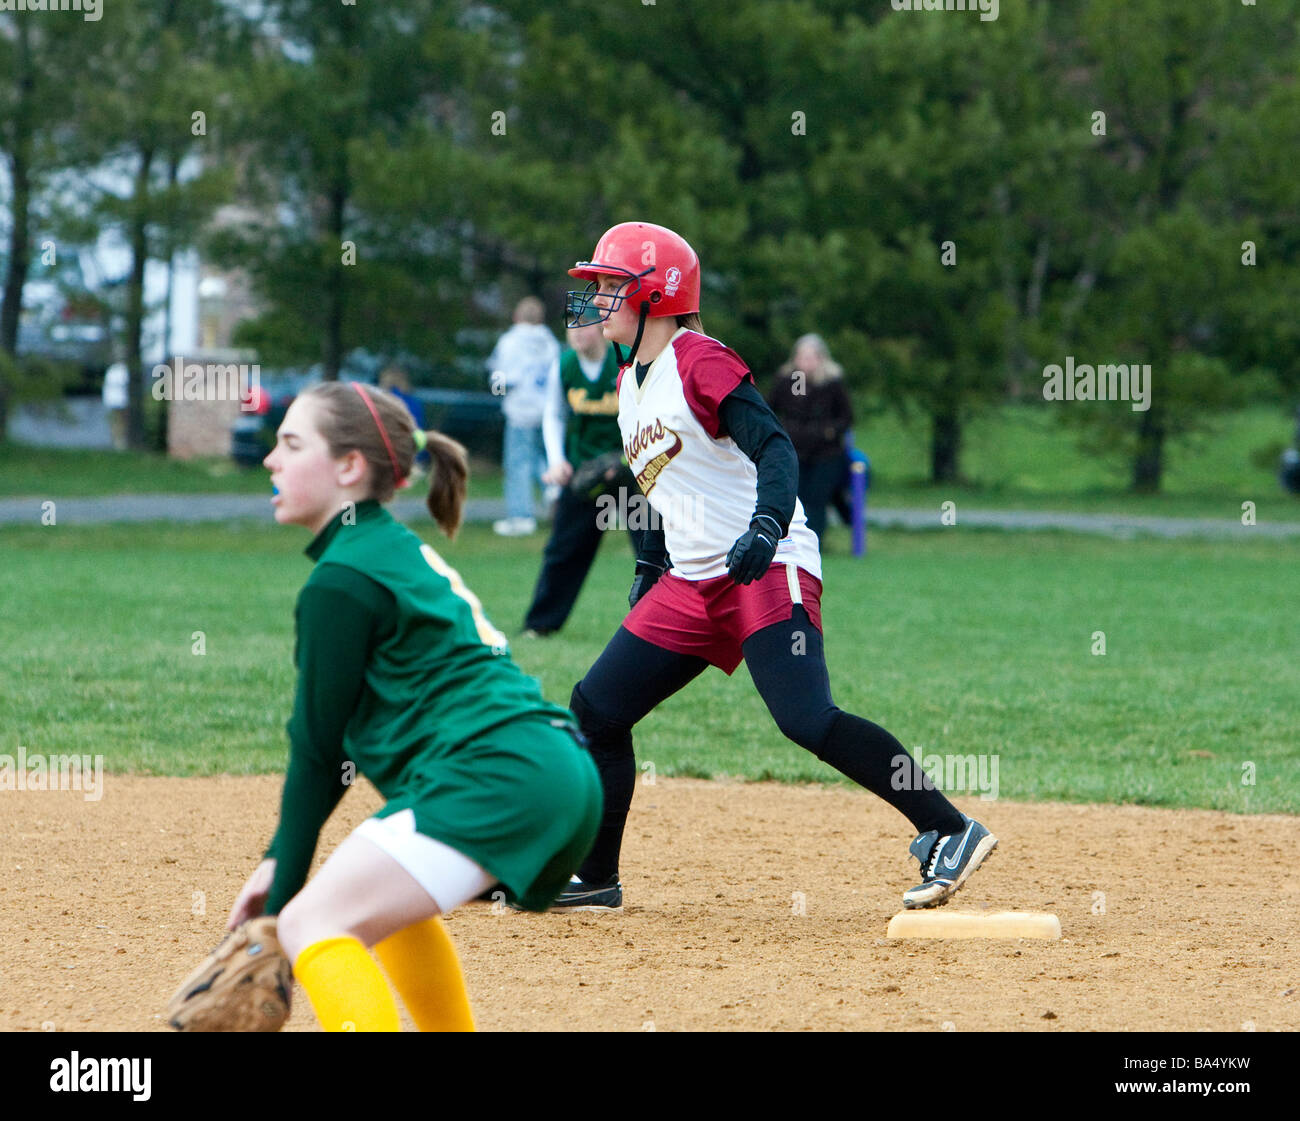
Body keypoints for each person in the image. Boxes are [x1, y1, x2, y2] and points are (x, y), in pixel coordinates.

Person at [551, 221, 996, 913]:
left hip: (767, 563)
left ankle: (948, 826)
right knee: (597, 709)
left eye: (612, 286)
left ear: (656, 294)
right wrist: (649, 565)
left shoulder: (700, 361)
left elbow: (777, 450)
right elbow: (661, 489)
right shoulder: (629, 381)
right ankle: (597, 875)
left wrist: (766, 523)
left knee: (805, 717)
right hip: (693, 579)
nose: (598, 300)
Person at [227, 380, 603, 1031]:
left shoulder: (342, 579)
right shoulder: (384, 548)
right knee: (383, 904)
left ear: (350, 466)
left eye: (292, 443)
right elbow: (333, 748)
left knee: (311, 920)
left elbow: (318, 752)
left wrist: (279, 898)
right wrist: (279, 862)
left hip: (498, 771)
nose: (272, 460)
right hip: (550, 766)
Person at [522, 322, 643, 636]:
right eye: (571, 327)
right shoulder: (564, 365)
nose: (576, 333)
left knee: (651, 550)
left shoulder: (627, 359)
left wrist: (634, 458)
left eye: (584, 326)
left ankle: (662, 626)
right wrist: (557, 460)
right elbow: (554, 413)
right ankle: (540, 625)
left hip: (630, 470)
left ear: (602, 329)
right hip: (584, 472)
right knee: (564, 549)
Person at [767, 335, 854, 542]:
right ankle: (792, 541)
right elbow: (769, 410)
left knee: (817, 498)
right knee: (796, 497)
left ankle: (814, 541)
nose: (806, 362)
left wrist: (828, 432)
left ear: (821, 358)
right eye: (802, 357)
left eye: (811, 357)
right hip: (794, 451)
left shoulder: (832, 383)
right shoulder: (786, 381)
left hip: (826, 453)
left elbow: (846, 417)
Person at [488, 296, 560, 536]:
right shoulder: (550, 342)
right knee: (542, 458)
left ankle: (521, 515)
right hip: (546, 409)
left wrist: (499, 393)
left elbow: (500, 377)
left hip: (520, 410)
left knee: (518, 463)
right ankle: (552, 491)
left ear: (516, 317)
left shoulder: (510, 342)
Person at [102, 359, 129, 450]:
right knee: (118, 423)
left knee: (118, 423)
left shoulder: (113, 370)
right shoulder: (119, 370)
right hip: (119, 402)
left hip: (115, 401)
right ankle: (118, 443)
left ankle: (119, 443)